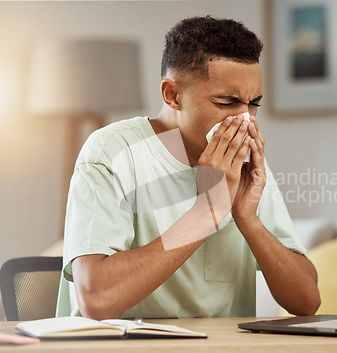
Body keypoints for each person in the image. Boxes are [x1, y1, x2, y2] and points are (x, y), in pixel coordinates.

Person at [56, 15, 320, 320]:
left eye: (253, 104)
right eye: (227, 102)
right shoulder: (111, 153)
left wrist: (248, 219)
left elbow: (307, 302)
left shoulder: (243, 160)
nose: (245, 120)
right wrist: (205, 214)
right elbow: (96, 299)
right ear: (172, 95)